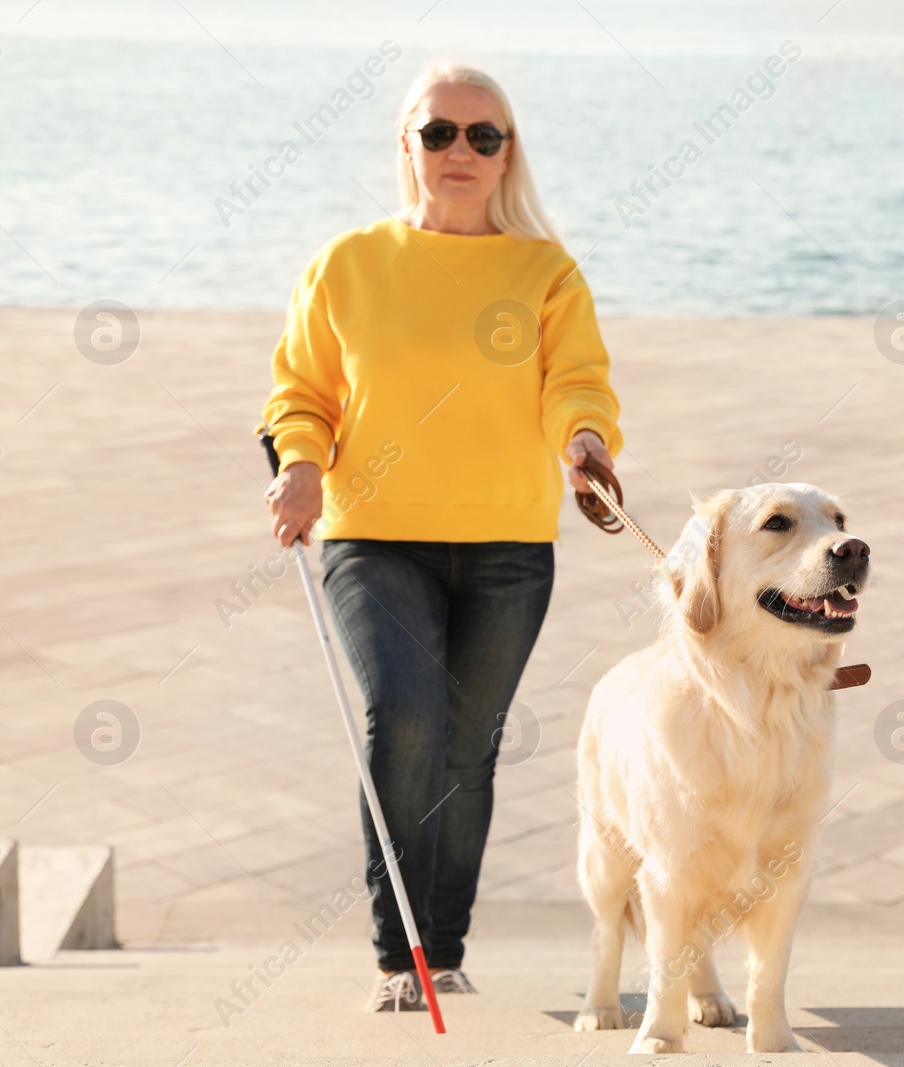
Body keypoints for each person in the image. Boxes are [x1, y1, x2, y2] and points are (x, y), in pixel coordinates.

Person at [259, 58, 622, 1012]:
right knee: (407, 717)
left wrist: (585, 440)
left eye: (482, 135)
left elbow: (575, 382)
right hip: (372, 536)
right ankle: (398, 957)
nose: (459, 150)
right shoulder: (347, 263)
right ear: (407, 147)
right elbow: (301, 392)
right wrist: (300, 463)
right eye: (438, 132)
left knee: (469, 745)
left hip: (508, 546)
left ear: (507, 156)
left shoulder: (545, 270)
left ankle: (443, 949)